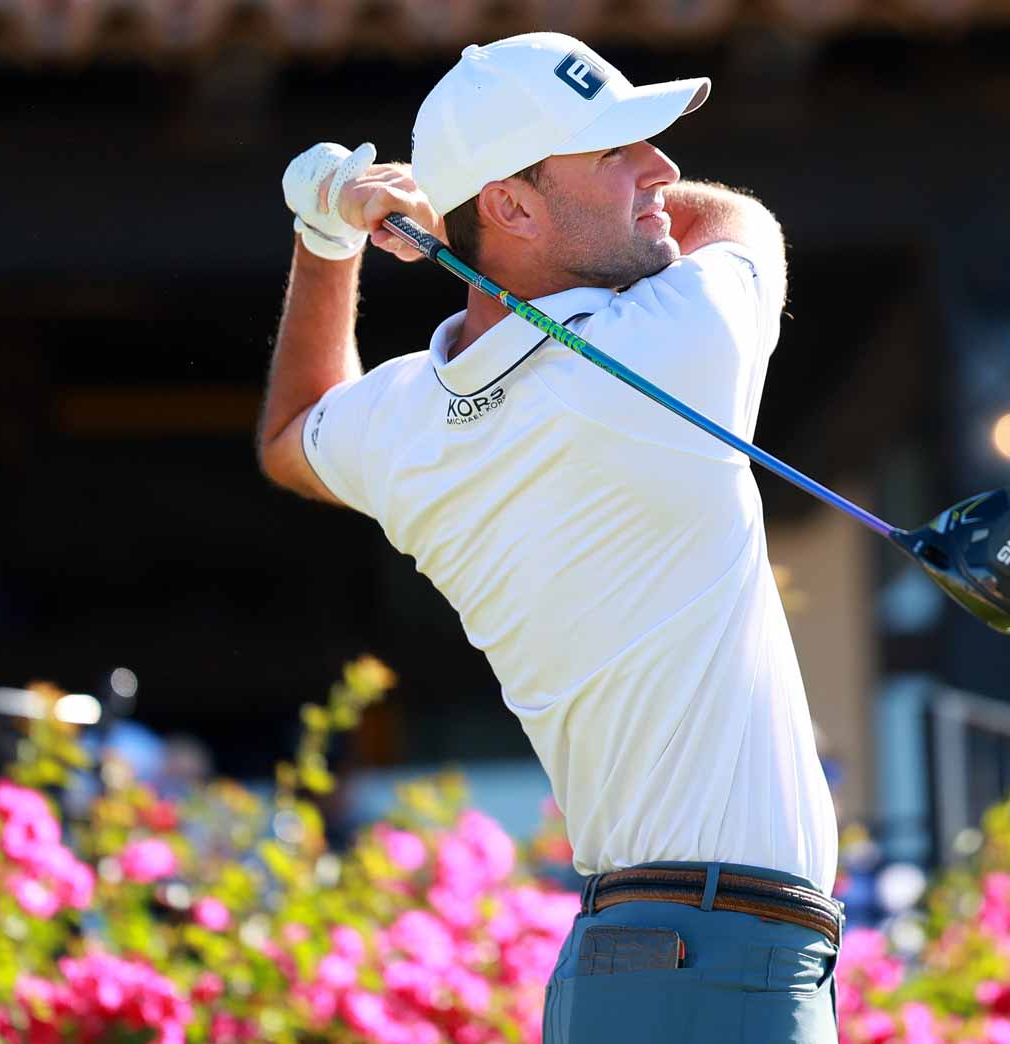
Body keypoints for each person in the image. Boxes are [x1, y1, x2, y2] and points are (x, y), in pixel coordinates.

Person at [256, 32, 841, 1043]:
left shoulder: (406, 425)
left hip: (628, 967)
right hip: (719, 965)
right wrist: (372, 219)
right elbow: (734, 220)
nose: (659, 168)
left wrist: (326, 233)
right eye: (615, 151)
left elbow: (286, 434)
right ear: (510, 205)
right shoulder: (670, 344)